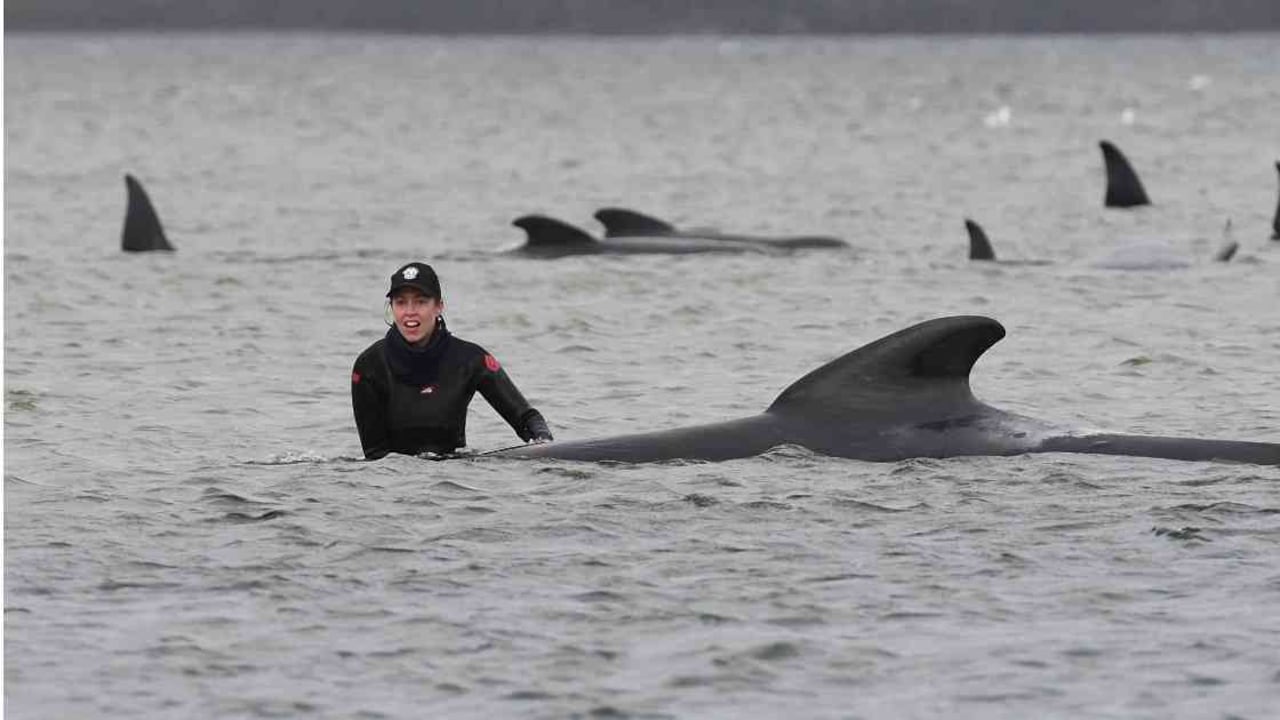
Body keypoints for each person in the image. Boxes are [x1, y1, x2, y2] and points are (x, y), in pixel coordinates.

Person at [351, 261, 552, 459]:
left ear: (439, 306)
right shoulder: (369, 366)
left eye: (421, 301)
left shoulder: (470, 359)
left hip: (454, 480)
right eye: (401, 302)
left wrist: (546, 446)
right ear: (392, 307)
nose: (410, 311)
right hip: (394, 484)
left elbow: (526, 418)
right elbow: (375, 456)